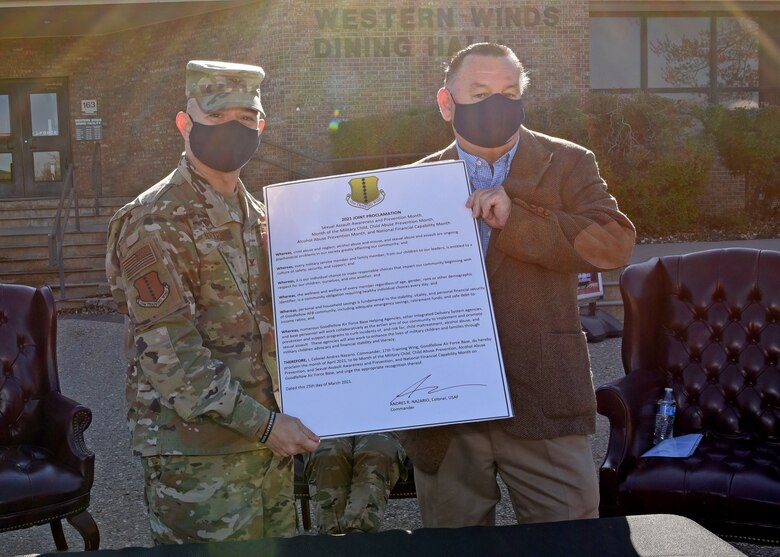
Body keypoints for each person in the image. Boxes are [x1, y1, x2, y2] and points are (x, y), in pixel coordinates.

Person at [399, 43, 635, 527]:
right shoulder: (412, 183)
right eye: (480, 92)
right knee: (454, 543)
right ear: (447, 103)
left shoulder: (567, 162)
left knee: (568, 538)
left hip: (542, 394)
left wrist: (520, 220)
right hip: (449, 408)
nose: (497, 104)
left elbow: (614, 243)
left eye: (509, 92)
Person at [105, 60, 320, 544]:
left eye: (246, 120)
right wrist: (267, 426)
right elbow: (175, 360)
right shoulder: (154, 221)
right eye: (217, 118)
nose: (233, 130)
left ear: (261, 127)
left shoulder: (265, 218)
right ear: (186, 124)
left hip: (269, 449)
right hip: (200, 460)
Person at [304, 433, 406, 534]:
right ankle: (332, 535)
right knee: (326, 453)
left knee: (378, 453)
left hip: (382, 424)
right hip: (328, 425)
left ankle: (358, 535)